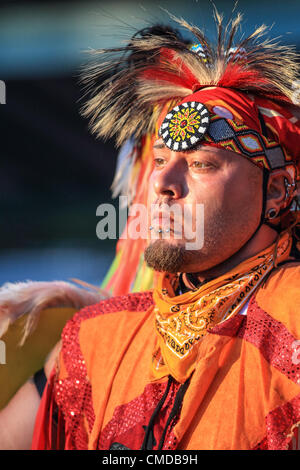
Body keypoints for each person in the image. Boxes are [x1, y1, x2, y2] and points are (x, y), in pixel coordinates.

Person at [5, 11, 300, 450]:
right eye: (159, 161)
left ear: (276, 191)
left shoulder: (292, 313)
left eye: (202, 164)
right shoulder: (95, 340)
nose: (162, 183)